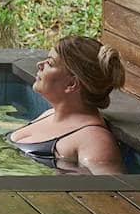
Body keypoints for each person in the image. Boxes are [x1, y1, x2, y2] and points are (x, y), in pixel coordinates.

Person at [7, 35, 126, 174]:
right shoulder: (50, 114)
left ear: (71, 83)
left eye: (50, 63)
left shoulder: (94, 141)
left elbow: (108, 186)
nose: (40, 64)